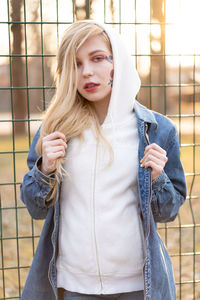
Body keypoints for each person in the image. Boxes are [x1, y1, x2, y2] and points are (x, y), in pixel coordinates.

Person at [20, 20, 186, 300]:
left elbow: (168, 212)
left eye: (97, 58)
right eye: (76, 63)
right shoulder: (55, 129)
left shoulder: (158, 130)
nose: (87, 72)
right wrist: (45, 169)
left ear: (117, 60)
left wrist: (158, 178)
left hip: (137, 284)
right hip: (74, 284)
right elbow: (34, 208)